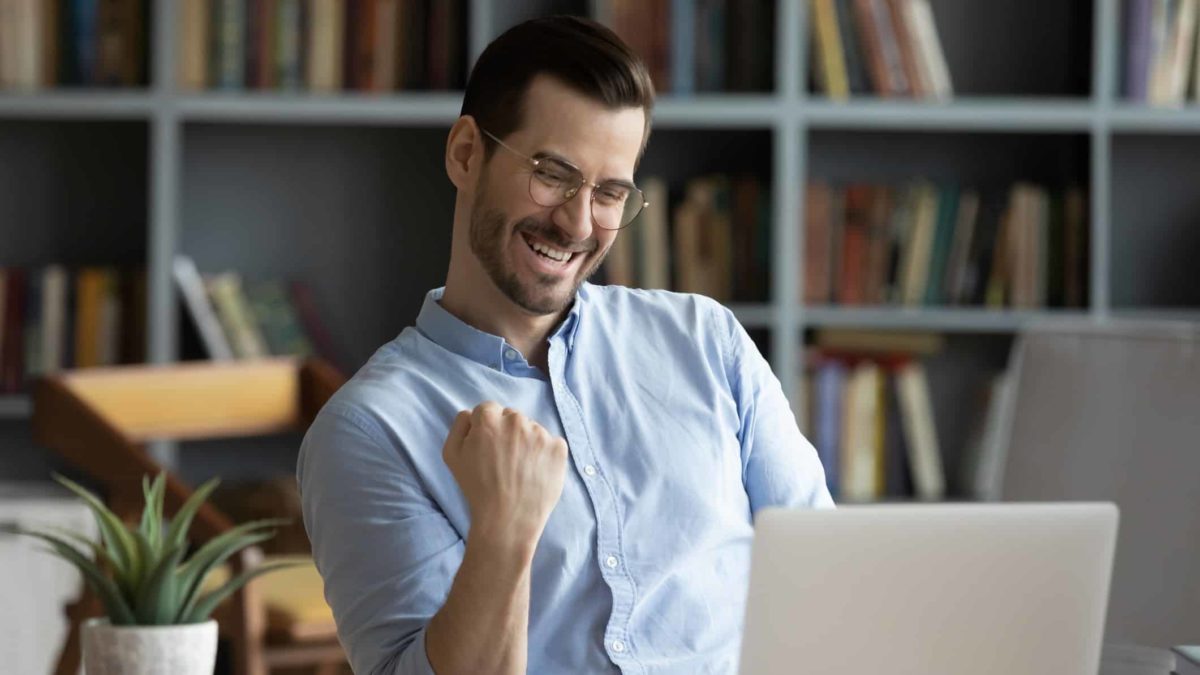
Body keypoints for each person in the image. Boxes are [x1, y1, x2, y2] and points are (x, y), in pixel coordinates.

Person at [297, 15, 833, 675]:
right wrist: (504, 533)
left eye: (609, 192)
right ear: (467, 153)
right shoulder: (368, 430)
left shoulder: (706, 340)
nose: (579, 223)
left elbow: (823, 578)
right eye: (552, 174)